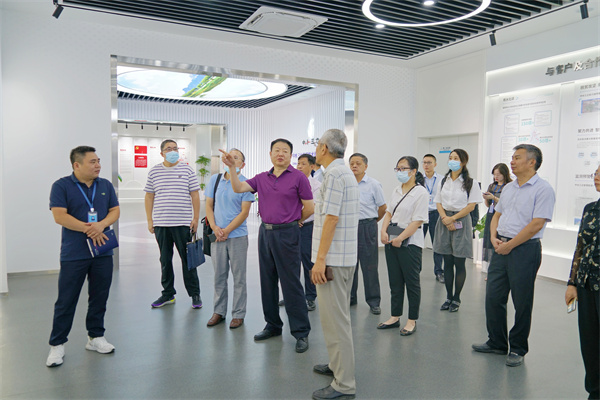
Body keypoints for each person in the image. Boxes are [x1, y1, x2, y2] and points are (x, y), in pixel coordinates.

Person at [220, 139, 314, 353]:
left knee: (291, 283)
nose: (280, 154)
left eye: (285, 151)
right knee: (267, 281)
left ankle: (301, 332)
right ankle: (272, 325)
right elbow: (238, 187)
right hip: (266, 232)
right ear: (270, 154)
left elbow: (309, 207)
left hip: (288, 233)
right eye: (277, 150)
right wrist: (232, 167)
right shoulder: (262, 178)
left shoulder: (298, 177)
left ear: (290, 155)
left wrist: (294, 221)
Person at [472, 144, 556, 367]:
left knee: (522, 301)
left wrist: (510, 245)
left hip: (525, 250)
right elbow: (497, 215)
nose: (512, 161)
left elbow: (536, 224)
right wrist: (493, 238)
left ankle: (518, 348)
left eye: (517, 157)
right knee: (493, 296)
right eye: (512, 157)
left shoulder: (543, 189)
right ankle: (497, 342)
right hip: (501, 246)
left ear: (532, 162)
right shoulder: (509, 188)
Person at [46, 146, 120, 367]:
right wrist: (90, 229)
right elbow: (60, 216)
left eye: (98, 161)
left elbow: (115, 210)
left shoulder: (105, 185)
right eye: (92, 162)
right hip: (74, 253)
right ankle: (57, 344)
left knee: (99, 296)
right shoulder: (61, 186)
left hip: (102, 251)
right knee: (66, 300)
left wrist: (101, 225)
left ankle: (95, 337)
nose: (98, 165)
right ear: (76, 165)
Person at [311, 129, 359, 400]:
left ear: (323, 148)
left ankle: (344, 384)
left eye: (317, 145)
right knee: (335, 319)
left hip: (333, 261)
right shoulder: (342, 173)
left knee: (336, 321)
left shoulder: (334, 175)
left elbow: (331, 218)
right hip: (342, 257)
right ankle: (337, 365)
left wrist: (320, 260)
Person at [144, 139, 202, 309]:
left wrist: (195, 218)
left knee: (188, 260)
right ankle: (168, 293)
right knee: (165, 260)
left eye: (175, 148)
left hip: (182, 223)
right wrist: (150, 220)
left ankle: (195, 294)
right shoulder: (154, 172)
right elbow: (149, 196)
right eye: (168, 149)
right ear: (161, 153)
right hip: (161, 223)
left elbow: (195, 195)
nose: (172, 151)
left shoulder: (187, 170)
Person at [378, 156, 429, 335]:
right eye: (397, 168)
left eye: (403, 168)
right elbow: (389, 213)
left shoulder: (421, 193)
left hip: (410, 244)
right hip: (392, 240)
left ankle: (411, 320)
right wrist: (383, 230)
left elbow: (417, 221)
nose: (399, 172)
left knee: (412, 283)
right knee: (395, 281)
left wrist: (401, 238)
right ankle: (395, 316)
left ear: (414, 171)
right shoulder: (397, 190)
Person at [204, 149, 254, 329]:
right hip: (217, 236)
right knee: (219, 276)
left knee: (239, 277)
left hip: (237, 236)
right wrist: (215, 228)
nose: (231, 159)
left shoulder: (246, 184)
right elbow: (209, 206)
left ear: (243, 164)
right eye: (229, 156)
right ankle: (219, 311)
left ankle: (238, 314)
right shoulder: (215, 180)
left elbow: (244, 212)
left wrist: (226, 230)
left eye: (236, 157)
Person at [433, 149, 483, 312]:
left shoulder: (471, 182)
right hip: (444, 220)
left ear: (463, 161)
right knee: (447, 261)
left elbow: (471, 206)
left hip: (461, 220)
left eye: (456, 158)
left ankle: (457, 298)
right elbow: (438, 201)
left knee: (459, 261)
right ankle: (448, 297)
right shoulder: (443, 181)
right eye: (450, 158)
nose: (452, 161)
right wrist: (445, 218)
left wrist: (453, 219)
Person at [565, 165, 599, 399]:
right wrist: (572, 283)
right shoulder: (590, 209)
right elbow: (580, 247)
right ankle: (594, 391)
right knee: (589, 342)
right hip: (587, 284)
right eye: (595, 173)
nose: (596, 177)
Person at [349, 153, 387, 314]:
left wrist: (372, 222)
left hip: (367, 226)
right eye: (352, 163)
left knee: (369, 265)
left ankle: (374, 301)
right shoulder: (347, 183)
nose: (354, 166)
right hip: (350, 227)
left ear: (365, 166)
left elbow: (383, 207)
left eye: (358, 163)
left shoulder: (374, 184)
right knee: (350, 265)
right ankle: (350, 297)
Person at [297, 153, 322, 311]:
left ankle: (310, 296)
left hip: (307, 227)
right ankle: (292, 295)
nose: (299, 166)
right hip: (292, 227)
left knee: (308, 263)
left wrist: (299, 219)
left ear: (312, 167)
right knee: (290, 264)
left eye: (303, 164)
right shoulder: (292, 182)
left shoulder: (317, 185)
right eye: (298, 163)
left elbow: (313, 208)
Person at [481, 163, 512, 268]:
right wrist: (486, 198)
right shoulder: (492, 186)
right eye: (494, 174)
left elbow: (506, 204)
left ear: (504, 173)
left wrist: (494, 198)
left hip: (503, 216)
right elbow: (488, 205)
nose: (496, 177)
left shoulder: (509, 186)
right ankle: (491, 265)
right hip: (491, 214)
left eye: (498, 174)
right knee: (490, 238)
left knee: (499, 238)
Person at [422, 153, 445, 283]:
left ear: (435, 164)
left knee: (437, 244)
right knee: (416, 243)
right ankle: (415, 270)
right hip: (421, 214)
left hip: (435, 213)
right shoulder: (418, 179)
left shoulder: (441, 179)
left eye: (429, 162)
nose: (426, 165)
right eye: (424, 162)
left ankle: (439, 272)